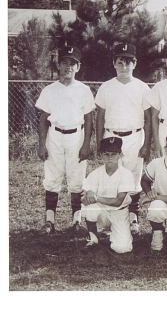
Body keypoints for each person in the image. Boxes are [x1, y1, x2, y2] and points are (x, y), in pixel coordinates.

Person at [35, 45, 95, 235]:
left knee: (77, 179)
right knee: (52, 177)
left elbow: (88, 119)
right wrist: (41, 143)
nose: (68, 67)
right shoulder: (50, 90)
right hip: (55, 135)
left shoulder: (84, 90)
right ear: (59, 65)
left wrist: (86, 144)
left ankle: (76, 220)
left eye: (73, 63)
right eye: (65, 63)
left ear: (78, 67)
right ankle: (50, 221)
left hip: (76, 136)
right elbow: (44, 118)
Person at [95, 43, 152, 235]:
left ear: (134, 64)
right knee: (112, 177)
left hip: (135, 136)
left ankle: (133, 219)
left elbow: (148, 118)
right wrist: (98, 142)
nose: (124, 66)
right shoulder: (106, 87)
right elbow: (100, 116)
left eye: (128, 62)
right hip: (111, 136)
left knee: (134, 179)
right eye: (121, 62)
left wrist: (146, 145)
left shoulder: (143, 88)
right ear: (114, 63)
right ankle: (111, 219)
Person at [81, 137, 134, 254]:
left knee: (121, 248)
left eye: (114, 154)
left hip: (119, 212)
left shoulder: (126, 174)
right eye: (106, 154)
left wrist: (95, 197)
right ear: (101, 155)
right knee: (89, 208)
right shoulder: (95, 174)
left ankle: (115, 232)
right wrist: (87, 197)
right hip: (102, 211)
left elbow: (118, 201)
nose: (110, 158)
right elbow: (85, 199)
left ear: (120, 155)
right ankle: (93, 238)